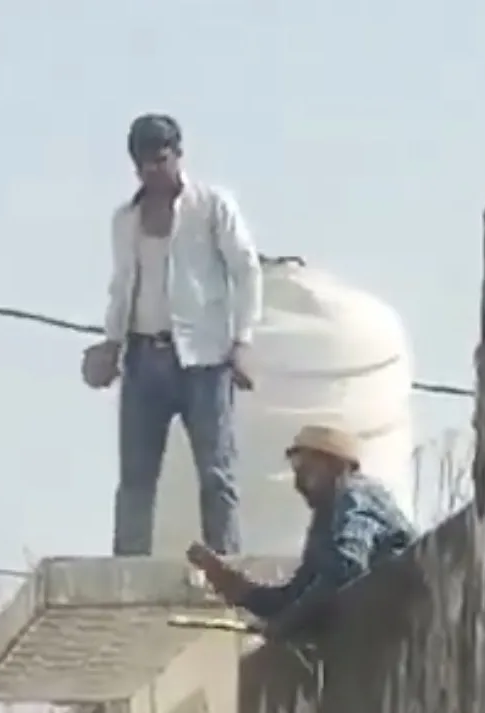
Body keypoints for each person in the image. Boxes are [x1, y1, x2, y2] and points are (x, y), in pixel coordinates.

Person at [81, 113, 263, 556]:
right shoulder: (125, 219)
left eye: (161, 160)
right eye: (144, 163)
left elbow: (246, 269)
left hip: (203, 359)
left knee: (216, 473)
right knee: (136, 479)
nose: (153, 171)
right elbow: (122, 286)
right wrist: (111, 344)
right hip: (144, 357)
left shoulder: (211, 206)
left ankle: (226, 565)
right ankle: (129, 569)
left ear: (178, 155)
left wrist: (242, 340)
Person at [186, 425, 416, 620]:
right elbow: (297, 595)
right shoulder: (326, 519)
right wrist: (240, 589)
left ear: (336, 467)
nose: (298, 484)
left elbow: (347, 567)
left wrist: (288, 624)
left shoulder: (356, 494)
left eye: (306, 470)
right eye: (296, 471)